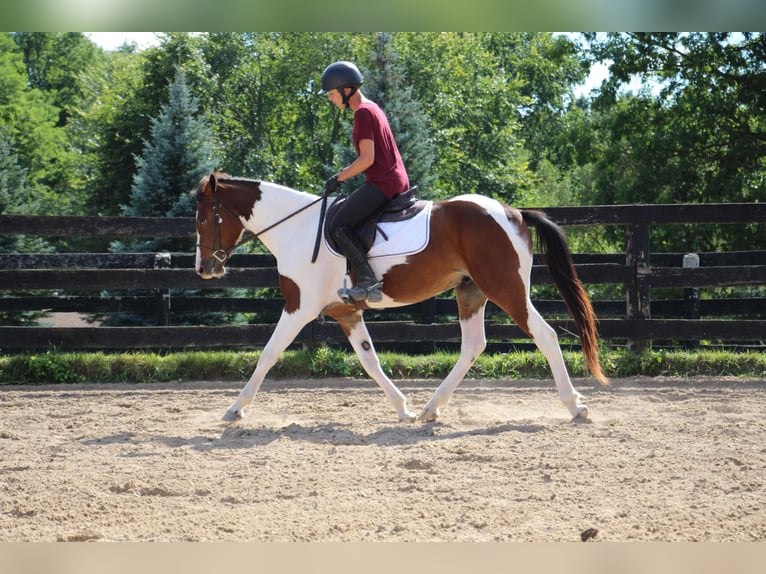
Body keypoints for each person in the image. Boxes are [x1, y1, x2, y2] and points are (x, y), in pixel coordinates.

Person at [318, 60, 410, 303]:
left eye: (331, 93)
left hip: (384, 182)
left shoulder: (363, 114)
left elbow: (367, 159)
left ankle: (368, 281)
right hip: (392, 178)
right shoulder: (373, 108)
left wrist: (338, 178)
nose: (330, 99)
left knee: (338, 224)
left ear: (346, 90)